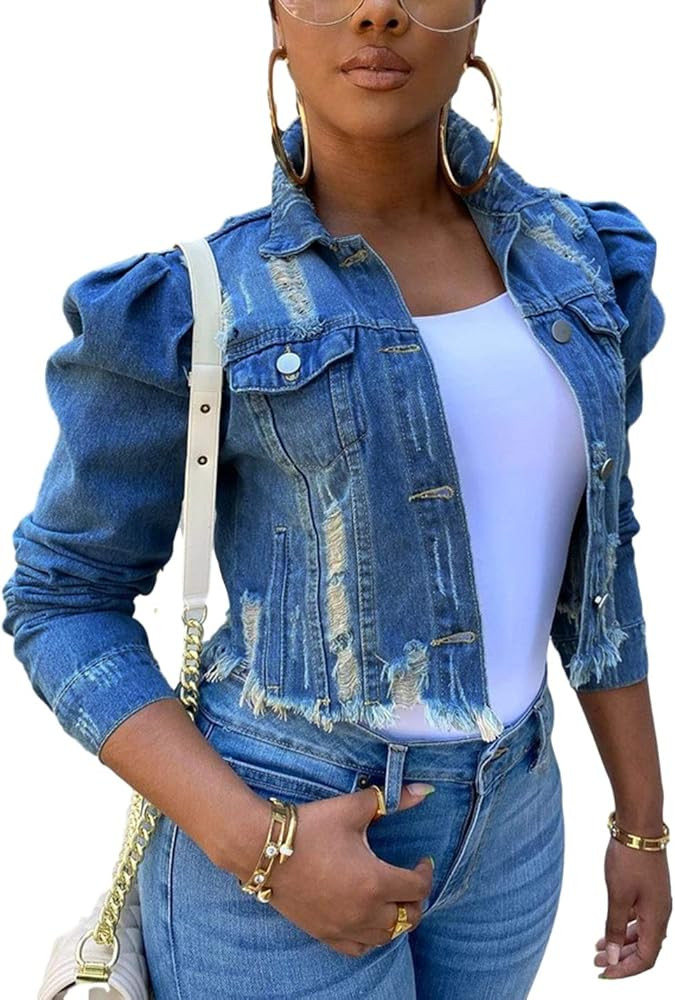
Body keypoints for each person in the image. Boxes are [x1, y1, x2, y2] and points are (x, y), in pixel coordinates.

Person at [2, 1, 671, 996]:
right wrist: (261, 847)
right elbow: (61, 599)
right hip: (280, 825)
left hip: (516, 824)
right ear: (276, 20)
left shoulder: (579, 265)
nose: (377, 10)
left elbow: (598, 560)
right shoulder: (198, 302)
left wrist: (642, 821)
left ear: (475, 18)